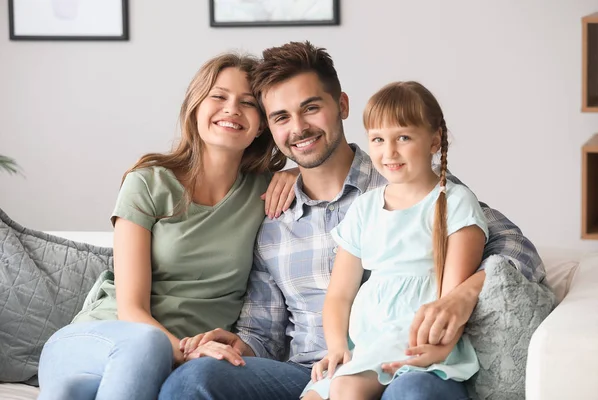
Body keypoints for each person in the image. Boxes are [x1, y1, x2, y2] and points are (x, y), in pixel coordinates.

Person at [159, 41, 545, 400]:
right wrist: (229, 346)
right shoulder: (274, 214)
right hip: (310, 372)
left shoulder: (406, 182)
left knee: (414, 394)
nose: (299, 128)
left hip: (406, 365)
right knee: (192, 380)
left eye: (311, 108)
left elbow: (519, 250)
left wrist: (462, 296)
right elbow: (264, 331)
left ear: (341, 104)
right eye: (281, 117)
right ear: (270, 128)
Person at [37, 53, 298, 400]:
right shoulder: (148, 183)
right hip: (102, 339)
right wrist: (187, 350)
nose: (232, 109)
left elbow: (338, 168)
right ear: (195, 105)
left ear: (262, 124)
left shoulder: (266, 193)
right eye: (218, 96)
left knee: (81, 393)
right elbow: (131, 309)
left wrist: (299, 173)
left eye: (248, 103)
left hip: (168, 367)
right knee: (146, 346)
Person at [301, 81, 488, 400]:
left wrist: (436, 346)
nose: (389, 152)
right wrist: (336, 348)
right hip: (367, 344)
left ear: (434, 141)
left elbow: (449, 301)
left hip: (418, 339)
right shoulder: (364, 208)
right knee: (314, 396)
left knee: (347, 389)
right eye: (377, 139)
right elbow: (339, 296)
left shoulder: (455, 203)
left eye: (403, 137)